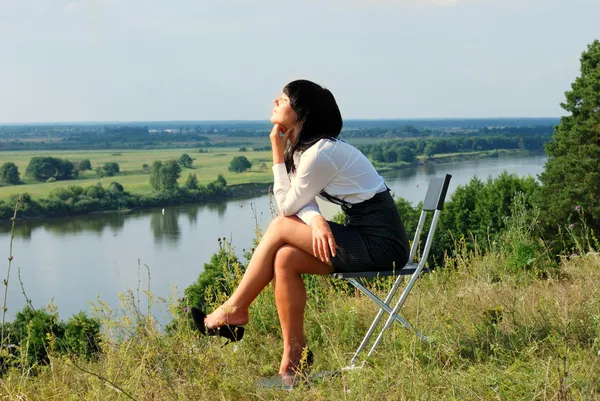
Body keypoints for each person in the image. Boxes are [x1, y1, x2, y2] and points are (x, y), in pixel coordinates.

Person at [194, 79, 410, 378]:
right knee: (285, 258)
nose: (275, 101)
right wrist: (316, 219)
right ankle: (295, 360)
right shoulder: (304, 152)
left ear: (301, 113)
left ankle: (235, 309)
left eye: (283, 99)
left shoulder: (321, 153)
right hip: (361, 236)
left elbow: (286, 209)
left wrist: (275, 153)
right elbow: (297, 202)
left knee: (282, 226)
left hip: (382, 245)